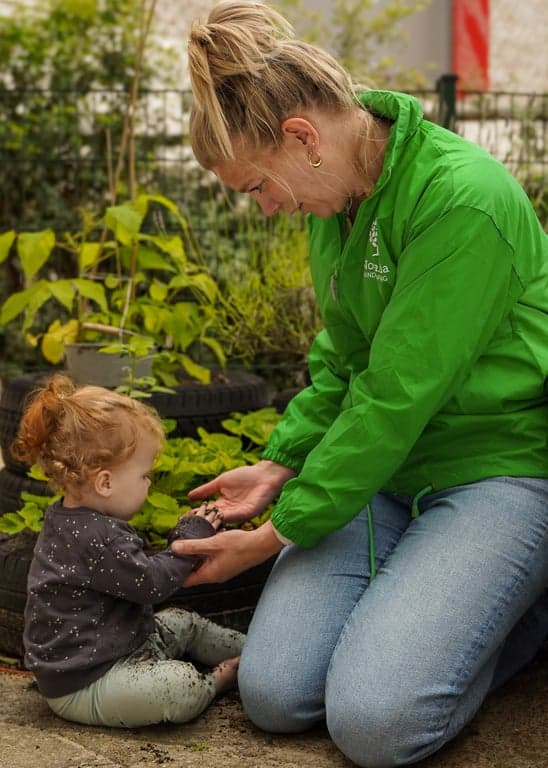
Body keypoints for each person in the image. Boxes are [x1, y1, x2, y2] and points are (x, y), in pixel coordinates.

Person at [168, 1, 548, 765]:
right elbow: (345, 362)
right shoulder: (335, 201)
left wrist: (274, 535)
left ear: (302, 138)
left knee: (377, 726)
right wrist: (280, 463)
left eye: (256, 188)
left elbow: (394, 398)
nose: (269, 209)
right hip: (387, 474)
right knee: (275, 697)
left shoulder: (462, 200)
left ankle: (525, 616)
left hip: (494, 469)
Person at [12, 373, 244, 728]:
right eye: (144, 475)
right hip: (87, 681)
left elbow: (134, 571)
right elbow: (152, 583)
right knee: (176, 685)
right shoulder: (95, 536)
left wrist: (184, 538)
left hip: (121, 646)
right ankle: (215, 680)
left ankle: (252, 649)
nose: (149, 483)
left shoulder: (69, 517)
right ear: (105, 482)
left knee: (181, 622)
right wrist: (188, 540)